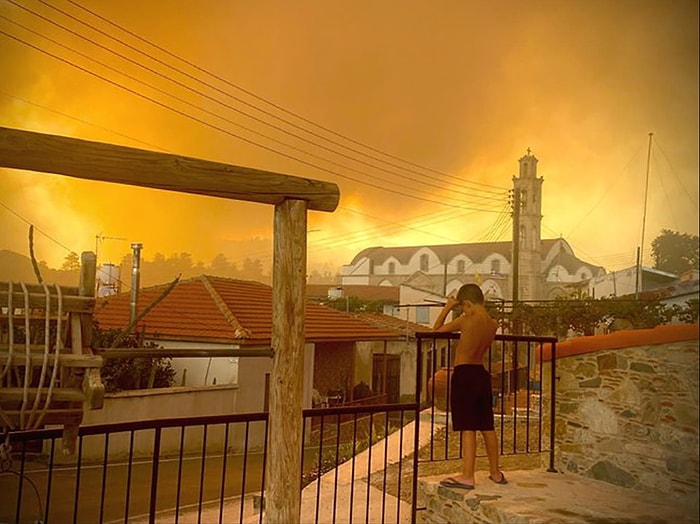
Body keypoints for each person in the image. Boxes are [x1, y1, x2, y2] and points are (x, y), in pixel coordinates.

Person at [432, 283, 507, 489]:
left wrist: (448, 307)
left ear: (467, 304)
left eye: (463, 307)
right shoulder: (492, 324)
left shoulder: (466, 319)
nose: (463, 310)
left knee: (468, 427)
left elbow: (436, 330)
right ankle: (495, 472)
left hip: (464, 374)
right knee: (487, 426)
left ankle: (467, 475)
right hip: (481, 375)